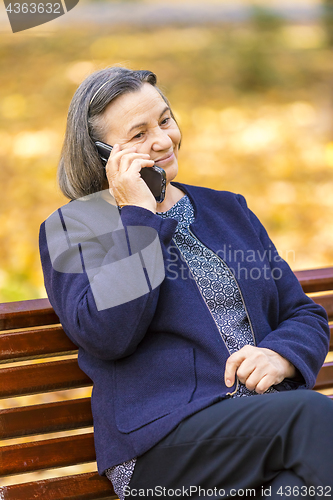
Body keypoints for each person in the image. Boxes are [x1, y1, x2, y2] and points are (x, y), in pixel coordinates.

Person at [39, 67, 332, 500]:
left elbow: (301, 312)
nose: (161, 139)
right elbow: (107, 335)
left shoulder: (227, 209)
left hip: (264, 427)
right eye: (137, 135)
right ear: (102, 154)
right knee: (313, 418)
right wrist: (139, 218)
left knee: (303, 490)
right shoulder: (75, 227)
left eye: (164, 119)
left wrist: (281, 354)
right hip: (161, 447)